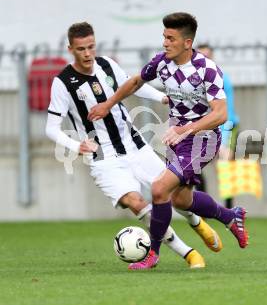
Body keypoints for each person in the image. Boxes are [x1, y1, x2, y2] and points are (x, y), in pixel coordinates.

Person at [45, 22, 224, 271]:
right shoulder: (63, 82)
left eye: (91, 47)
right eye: (81, 49)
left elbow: (135, 84)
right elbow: (51, 128)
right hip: (104, 159)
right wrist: (76, 146)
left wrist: (161, 97)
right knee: (137, 202)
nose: (87, 54)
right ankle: (188, 253)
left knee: (172, 194)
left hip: (137, 147)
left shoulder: (107, 65)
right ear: (70, 49)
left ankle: (197, 222)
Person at [88, 12, 249, 270]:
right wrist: (108, 104)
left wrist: (186, 129)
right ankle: (231, 216)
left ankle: (152, 254)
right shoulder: (162, 62)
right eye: (164, 37)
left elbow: (220, 114)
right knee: (182, 200)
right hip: (178, 140)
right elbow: (135, 82)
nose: (165, 43)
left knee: (159, 189)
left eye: (170, 38)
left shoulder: (207, 70)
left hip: (203, 140)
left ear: (187, 42)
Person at [197, 44, 240, 208]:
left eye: (208, 56)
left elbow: (226, 112)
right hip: (203, 127)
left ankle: (229, 210)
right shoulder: (193, 80)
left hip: (225, 126)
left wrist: (224, 140)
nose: (205, 60)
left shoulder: (221, 78)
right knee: (194, 166)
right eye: (202, 56)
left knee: (224, 165)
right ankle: (203, 207)